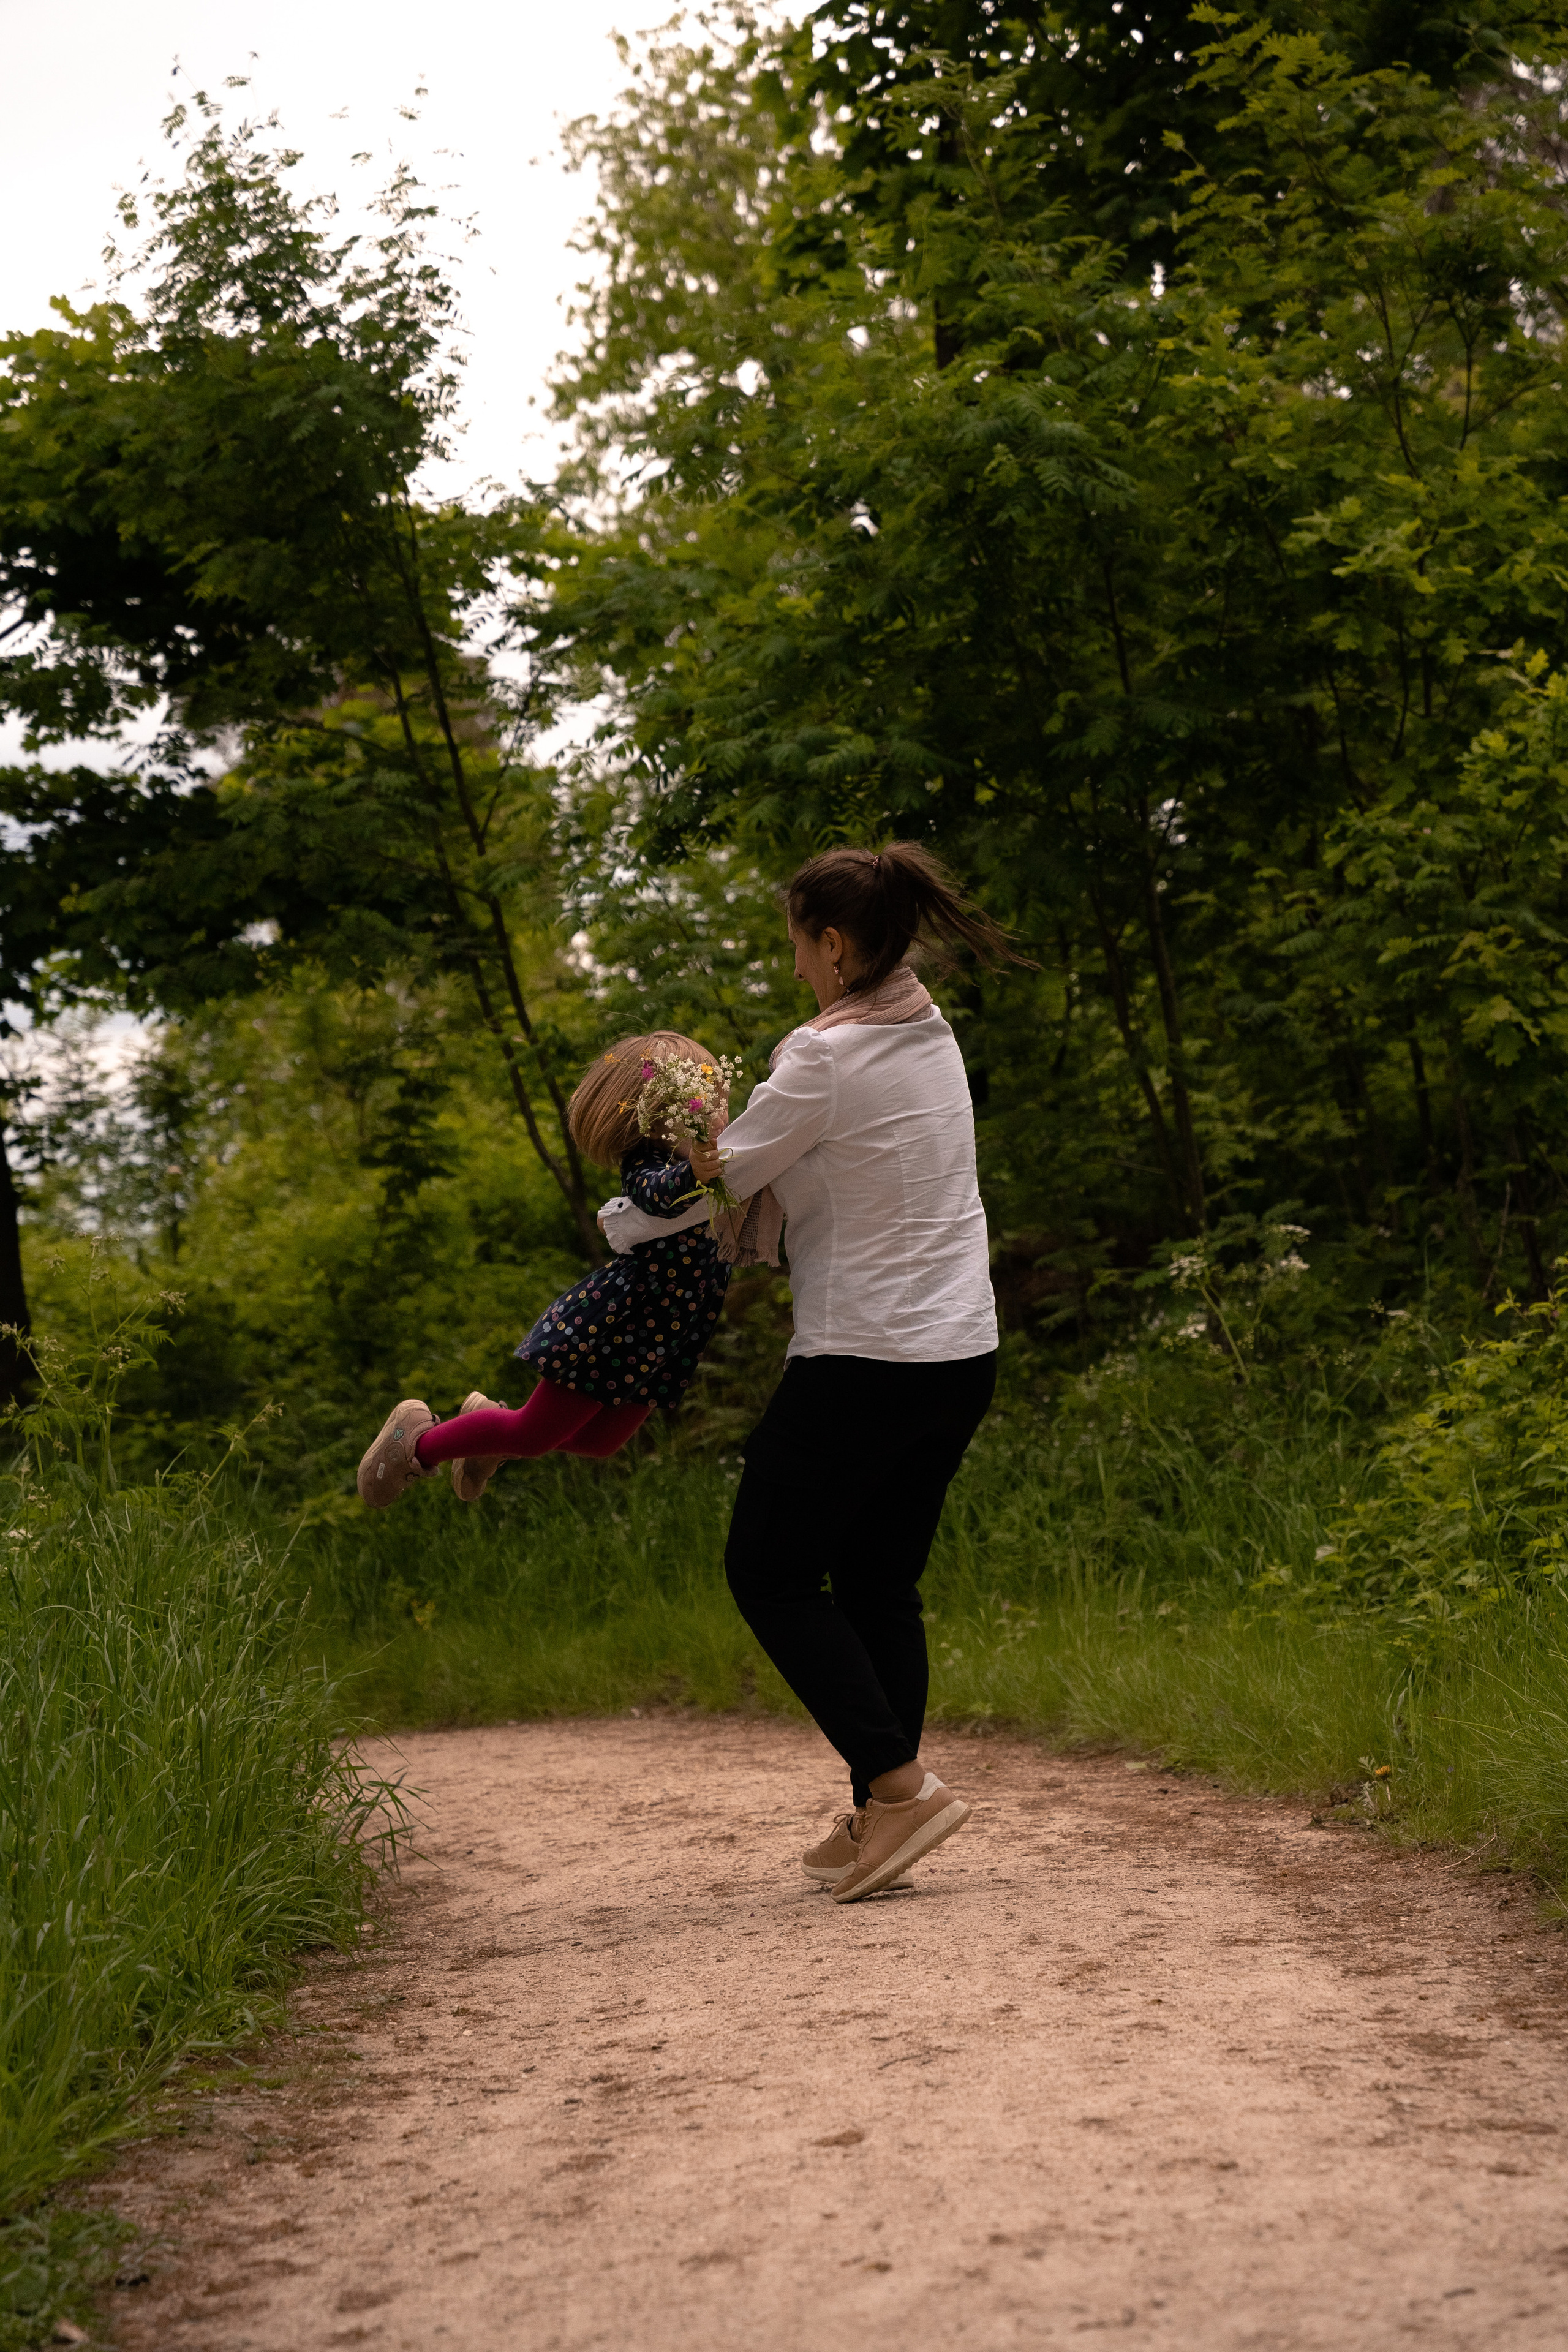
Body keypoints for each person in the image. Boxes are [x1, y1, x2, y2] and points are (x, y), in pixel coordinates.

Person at [603, 843, 1022, 1905]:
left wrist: (618, 1220)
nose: (794, 967)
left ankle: (903, 1788)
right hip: (962, 1354)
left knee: (770, 1572)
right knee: (880, 1583)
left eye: (797, 945)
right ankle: (883, 1809)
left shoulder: (824, 1056)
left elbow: (720, 1180)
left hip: (865, 1360)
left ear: (834, 944)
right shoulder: (929, 1030)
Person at [355, 1031, 732, 1507]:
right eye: (701, 1106)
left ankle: (489, 1432)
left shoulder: (722, 1165)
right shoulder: (648, 1161)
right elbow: (654, 1195)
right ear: (656, 1117)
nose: (718, 1117)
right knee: (531, 1435)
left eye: (720, 1103)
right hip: (625, 1324)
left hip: (671, 1334)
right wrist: (693, 1171)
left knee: (600, 1442)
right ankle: (415, 1442)